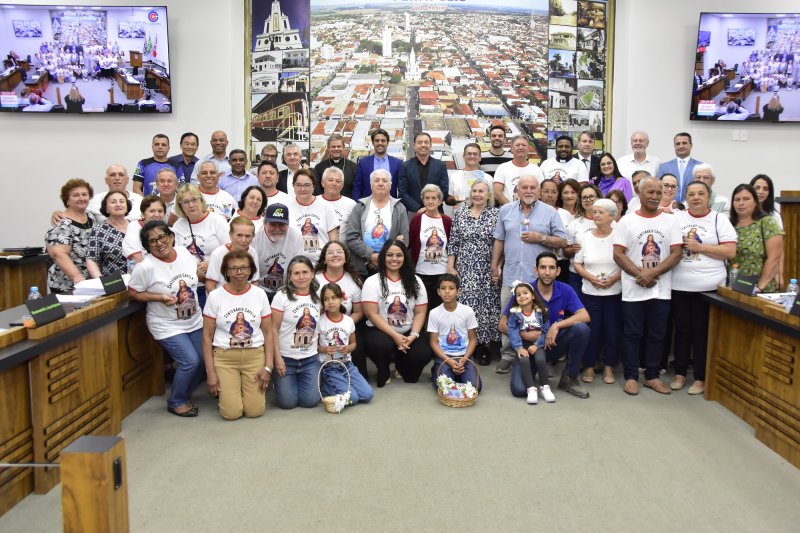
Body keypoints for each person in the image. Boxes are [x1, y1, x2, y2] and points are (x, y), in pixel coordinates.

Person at [613, 176, 683, 396]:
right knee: (632, 334)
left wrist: (652, 273)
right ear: (639, 194)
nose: (654, 196)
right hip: (634, 290)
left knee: (657, 334)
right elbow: (617, 254)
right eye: (650, 192)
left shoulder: (671, 221)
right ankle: (631, 376)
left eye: (658, 192)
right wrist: (640, 275)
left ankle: (652, 376)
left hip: (661, 290)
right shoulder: (627, 221)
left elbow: (676, 253)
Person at [492, 175, 568, 373]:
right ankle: (508, 355)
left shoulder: (550, 212)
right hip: (511, 277)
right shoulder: (505, 211)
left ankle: (543, 357)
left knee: (541, 319)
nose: (528, 191)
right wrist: (494, 265)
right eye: (524, 187)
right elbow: (499, 240)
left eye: (532, 187)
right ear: (516, 190)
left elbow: (562, 241)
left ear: (539, 191)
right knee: (508, 317)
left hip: (539, 281)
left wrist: (540, 237)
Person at [129, 221, 203, 417]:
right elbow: (134, 292)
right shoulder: (145, 267)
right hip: (166, 325)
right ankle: (176, 401)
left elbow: (195, 276)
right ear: (147, 246)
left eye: (162, 237)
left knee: (203, 360)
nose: (159, 243)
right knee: (190, 361)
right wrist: (158, 297)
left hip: (195, 320)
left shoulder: (184, 253)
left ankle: (186, 393)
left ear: (171, 236)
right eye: (152, 241)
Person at [671, 181, 737, 395]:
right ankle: (680, 373)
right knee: (681, 332)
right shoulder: (677, 218)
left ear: (709, 197)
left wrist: (700, 247)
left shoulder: (719, 219)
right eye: (691, 194)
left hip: (708, 288)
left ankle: (700, 378)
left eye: (701, 193)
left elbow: (730, 252)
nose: (696, 197)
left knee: (702, 334)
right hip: (679, 285)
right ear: (686, 198)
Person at [499, 252, 591, 398]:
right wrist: (524, 334)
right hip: (528, 349)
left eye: (551, 268)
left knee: (581, 329)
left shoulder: (565, 289)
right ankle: (532, 373)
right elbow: (502, 324)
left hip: (552, 344)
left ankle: (570, 378)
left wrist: (556, 326)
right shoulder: (525, 291)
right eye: (543, 267)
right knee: (519, 390)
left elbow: (584, 316)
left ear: (558, 271)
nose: (547, 272)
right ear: (536, 270)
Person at [202, 250, 273, 420]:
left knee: (255, 411)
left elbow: (268, 333)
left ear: (251, 270)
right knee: (231, 414)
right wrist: (210, 373)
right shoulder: (215, 296)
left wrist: (268, 367)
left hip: (254, 355)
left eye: (243, 268)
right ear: (226, 271)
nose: (239, 272)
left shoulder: (259, 294)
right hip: (225, 357)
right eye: (233, 269)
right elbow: (206, 336)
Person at [361, 240, 432, 387]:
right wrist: (394, 336)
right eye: (390, 255)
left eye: (399, 255)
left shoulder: (415, 281)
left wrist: (413, 335)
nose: (394, 259)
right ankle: (384, 369)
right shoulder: (372, 281)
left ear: (405, 257)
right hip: (381, 330)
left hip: (407, 330)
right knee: (381, 345)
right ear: (383, 257)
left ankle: (401, 367)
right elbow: (371, 314)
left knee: (423, 353)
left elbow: (420, 312)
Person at [447, 180, 500, 366]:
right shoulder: (460, 213)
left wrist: (498, 266)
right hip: (465, 268)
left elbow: (500, 243)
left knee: (486, 307)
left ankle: (485, 347)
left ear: (489, 195)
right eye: (475, 191)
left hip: (488, 268)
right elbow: (453, 242)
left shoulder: (496, 214)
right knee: (467, 308)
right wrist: (451, 267)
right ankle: (467, 346)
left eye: (482, 191)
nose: (477, 194)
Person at [573, 199, 622, 384]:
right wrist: (590, 277)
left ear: (612, 215)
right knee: (591, 331)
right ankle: (589, 365)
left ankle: (609, 366)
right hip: (590, 292)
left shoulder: (620, 236)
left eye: (601, 212)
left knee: (612, 330)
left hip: (614, 292)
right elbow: (577, 263)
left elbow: (627, 262)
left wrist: (614, 278)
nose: (596, 215)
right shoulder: (585, 237)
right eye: (595, 212)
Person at [270, 256, 322, 409]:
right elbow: (273, 329)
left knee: (310, 401)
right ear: (290, 277)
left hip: (310, 358)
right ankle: (280, 384)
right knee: (287, 403)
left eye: (305, 272)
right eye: (297, 273)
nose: (301, 277)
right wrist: (277, 358)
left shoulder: (319, 297)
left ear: (312, 274)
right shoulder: (282, 297)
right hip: (286, 359)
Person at [344, 169, 410, 278]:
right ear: (371, 185)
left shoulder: (400, 208)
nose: (380, 183)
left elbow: (404, 239)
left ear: (390, 185)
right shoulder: (359, 207)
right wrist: (371, 255)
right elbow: (352, 236)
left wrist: (384, 257)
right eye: (376, 180)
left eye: (384, 180)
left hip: (390, 266)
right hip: (363, 266)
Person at [314, 240, 366, 376]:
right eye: (330, 253)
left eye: (339, 252)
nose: (335, 255)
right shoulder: (314, 280)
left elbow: (359, 311)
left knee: (357, 348)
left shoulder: (355, 280)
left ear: (346, 258)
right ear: (324, 259)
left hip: (347, 325)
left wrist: (343, 325)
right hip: (320, 327)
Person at [317, 282, 373, 406]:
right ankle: (325, 386)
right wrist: (325, 349)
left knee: (367, 395)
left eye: (334, 298)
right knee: (353, 398)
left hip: (347, 365)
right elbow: (314, 347)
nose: (330, 302)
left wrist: (348, 348)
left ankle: (337, 385)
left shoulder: (348, 321)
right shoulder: (320, 321)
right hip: (329, 366)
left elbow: (354, 344)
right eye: (326, 299)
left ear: (341, 299)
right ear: (323, 302)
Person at [428, 274, 481, 394]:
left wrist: (464, 359)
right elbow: (433, 342)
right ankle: (438, 370)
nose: (447, 292)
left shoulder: (467, 311)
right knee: (444, 388)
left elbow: (473, 339)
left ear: (458, 291)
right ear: (438, 291)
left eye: (451, 288)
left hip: (464, 356)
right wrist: (448, 360)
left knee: (475, 388)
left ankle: (457, 373)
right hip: (444, 356)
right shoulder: (434, 313)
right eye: (443, 288)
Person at [506, 280, 555, 404]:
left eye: (525, 293)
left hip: (538, 343)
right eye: (518, 295)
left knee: (540, 360)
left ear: (533, 295)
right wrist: (518, 348)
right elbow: (512, 331)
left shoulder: (541, 311)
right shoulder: (515, 314)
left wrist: (537, 345)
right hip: (522, 344)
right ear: (516, 298)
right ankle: (531, 389)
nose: (522, 296)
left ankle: (545, 387)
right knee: (524, 360)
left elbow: (546, 330)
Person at [730, 184, 784, 294]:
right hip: (733, 287)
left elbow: (774, 258)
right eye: (737, 199)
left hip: (760, 290)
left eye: (746, 199)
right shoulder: (728, 225)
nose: (741, 203)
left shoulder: (767, 222)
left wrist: (759, 287)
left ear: (755, 202)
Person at [46, 179, 95, 293]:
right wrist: (77, 277)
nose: (81, 198)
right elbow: (59, 254)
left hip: (90, 282)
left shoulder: (91, 217)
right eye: (76, 195)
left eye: (84, 194)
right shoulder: (61, 223)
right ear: (67, 200)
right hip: (68, 284)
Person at [409, 184, 452, 312]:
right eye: (427, 198)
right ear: (423, 201)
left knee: (441, 310)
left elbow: (451, 245)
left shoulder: (447, 221)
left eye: (434, 198)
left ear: (439, 201)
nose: (430, 201)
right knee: (422, 310)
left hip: (442, 273)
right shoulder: (417, 219)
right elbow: (411, 243)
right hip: (421, 273)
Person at [253, 203, 304, 299]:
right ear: (264, 223)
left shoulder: (296, 236)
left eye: (281, 225)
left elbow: (298, 267)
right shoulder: (255, 237)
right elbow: (251, 273)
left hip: (287, 288)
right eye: (272, 224)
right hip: (259, 288)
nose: (277, 229)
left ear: (288, 224)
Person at [287, 169, 339, 263]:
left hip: (321, 263)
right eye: (298, 185)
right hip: (295, 263)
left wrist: (331, 258)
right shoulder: (286, 207)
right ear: (293, 186)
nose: (302, 189)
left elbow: (333, 238)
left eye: (307, 185)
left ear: (314, 186)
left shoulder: (326, 206)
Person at [564, 183, 604, 297]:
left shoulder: (608, 222)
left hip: (600, 274)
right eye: (584, 197)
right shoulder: (574, 224)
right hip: (577, 276)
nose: (588, 200)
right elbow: (565, 252)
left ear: (599, 197)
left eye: (592, 196)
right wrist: (572, 249)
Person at [398, 132, 450, 214]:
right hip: (413, 212)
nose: (423, 145)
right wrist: (418, 208)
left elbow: (444, 190)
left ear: (430, 145)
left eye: (426, 142)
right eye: (419, 142)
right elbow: (402, 193)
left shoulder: (440, 165)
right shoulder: (405, 166)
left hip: (436, 212)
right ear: (414, 146)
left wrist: (430, 206)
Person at [204, 216, 260, 293]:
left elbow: (254, 281)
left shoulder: (253, 252)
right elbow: (210, 284)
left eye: (247, 236)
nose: (243, 240)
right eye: (239, 235)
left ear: (253, 237)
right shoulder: (218, 254)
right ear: (230, 235)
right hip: (223, 299)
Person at [86, 191, 131, 277]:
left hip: (140, 280)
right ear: (106, 208)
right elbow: (92, 260)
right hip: (114, 283)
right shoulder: (98, 230)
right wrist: (100, 282)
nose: (118, 204)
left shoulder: (136, 226)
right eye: (113, 202)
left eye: (122, 201)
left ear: (127, 207)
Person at [352, 128, 403, 199]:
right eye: (377, 141)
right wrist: (359, 205)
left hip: (390, 206)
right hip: (368, 206)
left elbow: (402, 189)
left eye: (383, 140)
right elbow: (357, 186)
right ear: (372, 143)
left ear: (387, 143)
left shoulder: (397, 163)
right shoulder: (363, 163)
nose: (380, 143)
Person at [493, 135, 544, 205]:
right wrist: (511, 209)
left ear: (529, 148)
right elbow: (497, 192)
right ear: (512, 148)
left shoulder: (536, 170)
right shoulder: (502, 168)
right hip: (509, 213)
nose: (521, 147)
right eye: (517, 145)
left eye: (524, 145)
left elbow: (540, 193)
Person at [657, 132, 702, 203]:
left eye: (684, 143)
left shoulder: (700, 167)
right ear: (674, 146)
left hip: (692, 207)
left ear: (691, 145)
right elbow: (659, 189)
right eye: (678, 144)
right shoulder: (663, 167)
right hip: (669, 208)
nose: (681, 146)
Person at [122, 195, 166, 263]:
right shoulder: (134, 227)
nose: (157, 215)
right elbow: (137, 258)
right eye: (152, 211)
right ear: (143, 214)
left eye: (160, 211)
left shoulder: (166, 229)